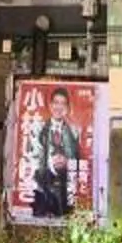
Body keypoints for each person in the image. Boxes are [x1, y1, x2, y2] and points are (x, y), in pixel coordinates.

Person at [23, 86, 83, 219]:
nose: (59, 107)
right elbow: (33, 158)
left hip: (64, 191)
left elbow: (77, 160)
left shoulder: (73, 131)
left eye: (63, 104)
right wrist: (50, 163)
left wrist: (67, 162)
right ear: (50, 106)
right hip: (42, 189)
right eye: (56, 103)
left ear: (67, 108)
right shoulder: (39, 129)